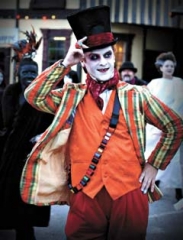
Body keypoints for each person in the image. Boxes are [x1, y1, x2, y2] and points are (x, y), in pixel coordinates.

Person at [20, 6, 183, 240]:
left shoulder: (136, 94)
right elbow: (33, 95)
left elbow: (175, 126)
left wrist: (154, 164)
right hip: (85, 193)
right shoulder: (71, 95)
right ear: (83, 63)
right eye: (94, 57)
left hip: (129, 192)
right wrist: (65, 63)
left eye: (107, 55)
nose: (103, 62)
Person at [0, 30, 53, 240]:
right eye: (26, 73)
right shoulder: (9, 94)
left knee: (25, 211)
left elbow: (52, 126)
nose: (29, 77)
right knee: (8, 203)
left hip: (31, 159)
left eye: (33, 74)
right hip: (7, 157)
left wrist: (42, 136)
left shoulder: (43, 98)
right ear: (19, 73)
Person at [145, 52, 183, 202]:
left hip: (174, 125)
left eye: (172, 66)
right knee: (152, 154)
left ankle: (178, 189)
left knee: (174, 159)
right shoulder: (154, 83)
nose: (169, 68)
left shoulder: (180, 82)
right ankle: (154, 183)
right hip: (156, 125)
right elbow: (148, 101)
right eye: (166, 66)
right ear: (161, 68)